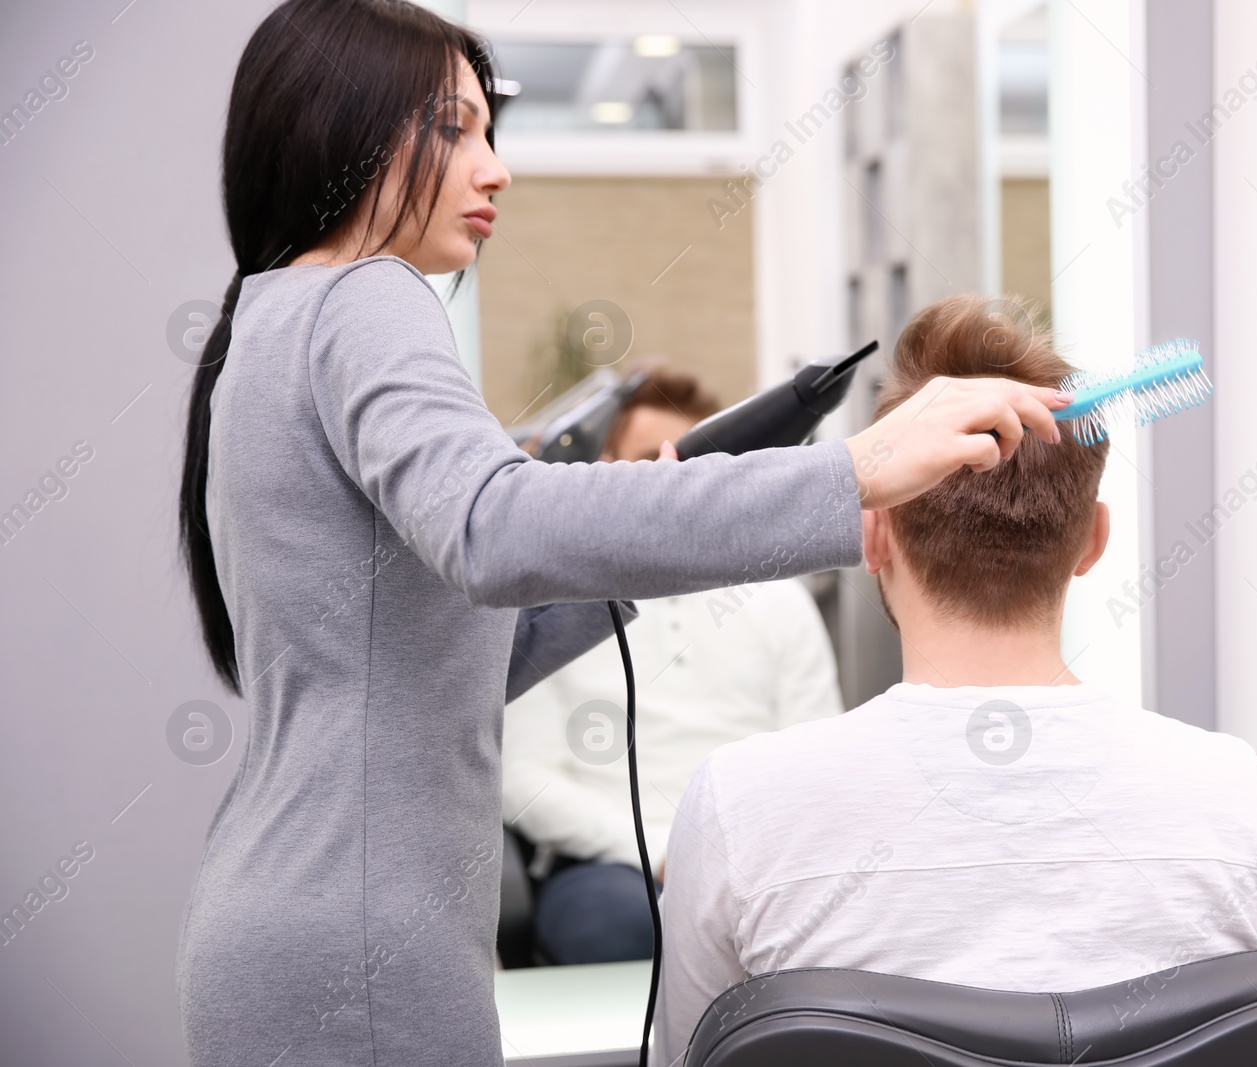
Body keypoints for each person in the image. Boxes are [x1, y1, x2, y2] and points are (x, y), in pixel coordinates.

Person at [173, 5, 1070, 1066]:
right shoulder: (367, 298)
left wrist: (649, 538)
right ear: (345, 127)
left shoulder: (270, 323)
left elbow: (454, 653)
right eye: (455, 129)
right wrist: (857, 471)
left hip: (294, 913)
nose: (494, 167)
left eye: (489, 131)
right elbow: (494, 528)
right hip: (360, 935)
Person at [653, 295, 1257, 1067]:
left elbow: (690, 1056)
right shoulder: (1232, 792)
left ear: (871, 532)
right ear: (1094, 541)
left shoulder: (741, 802)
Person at [501, 363, 845, 965]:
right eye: (646, 461)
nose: (672, 483)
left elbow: (817, 764)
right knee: (618, 926)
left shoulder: (779, 601)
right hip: (614, 866)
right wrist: (659, 853)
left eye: (693, 465)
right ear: (600, 468)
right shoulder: (555, 605)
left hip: (755, 861)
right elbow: (524, 780)